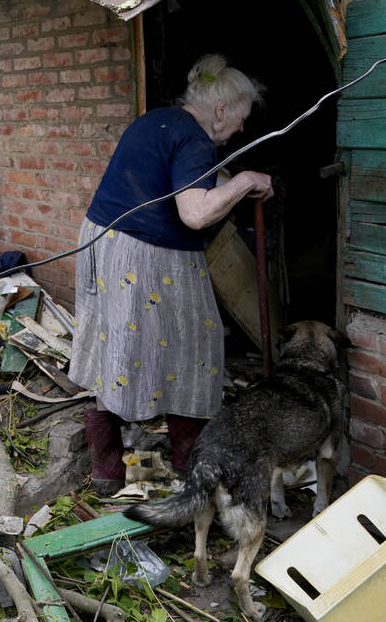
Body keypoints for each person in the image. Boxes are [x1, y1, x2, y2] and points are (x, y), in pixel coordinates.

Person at [69, 53, 273, 494]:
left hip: (104, 239)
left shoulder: (160, 120)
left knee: (115, 344)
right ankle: (188, 463)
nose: (240, 130)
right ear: (221, 110)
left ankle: (106, 469)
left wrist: (223, 180)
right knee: (195, 343)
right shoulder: (196, 139)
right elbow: (195, 214)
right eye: (239, 120)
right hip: (142, 250)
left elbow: (172, 182)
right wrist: (244, 181)